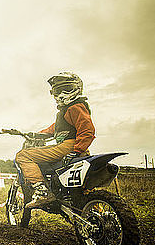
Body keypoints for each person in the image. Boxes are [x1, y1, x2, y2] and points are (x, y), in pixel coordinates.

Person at [15, 72, 95, 208]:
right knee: (84, 194)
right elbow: (54, 129)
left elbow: (87, 130)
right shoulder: (66, 111)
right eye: (58, 90)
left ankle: (43, 192)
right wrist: (37, 134)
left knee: (22, 155)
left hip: (69, 146)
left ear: (77, 89)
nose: (62, 93)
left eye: (67, 89)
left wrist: (76, 150)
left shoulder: (75, 107)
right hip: (76, 148)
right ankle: (94, 210)